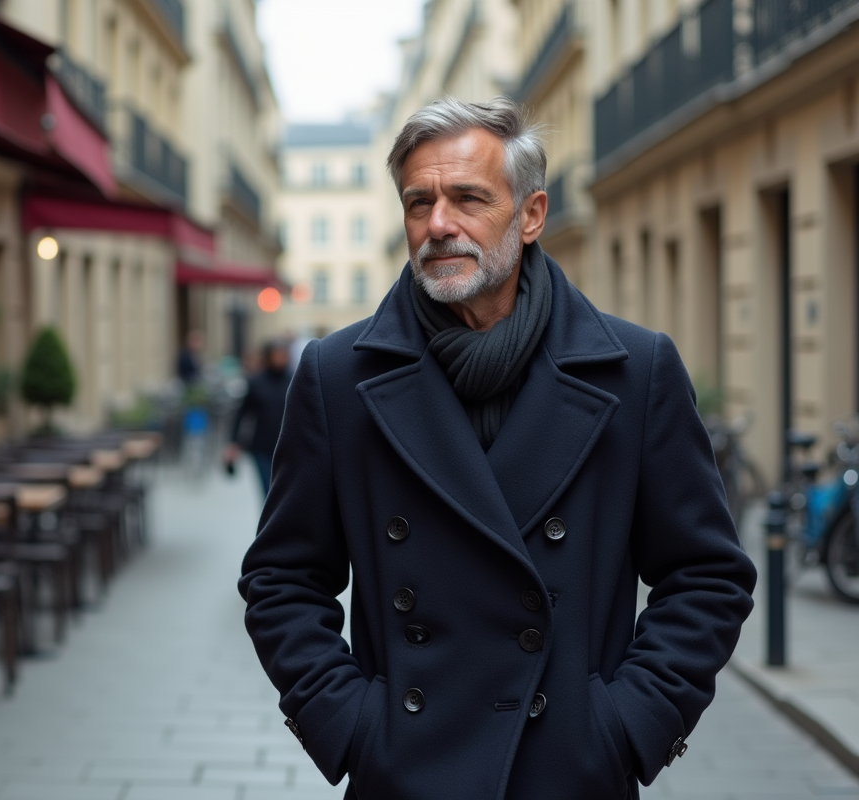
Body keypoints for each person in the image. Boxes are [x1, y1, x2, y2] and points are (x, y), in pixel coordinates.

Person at [238, 97, 756, 800]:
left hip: (568, 773)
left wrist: (625, 727)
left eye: (468, 198)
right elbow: (282, 579)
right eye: (419, 202)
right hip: (406, 772)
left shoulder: (635, 371)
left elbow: (707, 575)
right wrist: (351, 724)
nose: (438, 224)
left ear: (531, 214)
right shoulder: (338, 377)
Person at [225, 339, 292, 496]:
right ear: (268, 357)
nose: (280, 359)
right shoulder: (256, 382)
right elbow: (242, 413)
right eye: (277, 355)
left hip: (289, 447)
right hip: (262, 447)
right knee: (268, 493)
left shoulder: (294, 379)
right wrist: (233, 443)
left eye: (283, 355)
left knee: (286, 493)